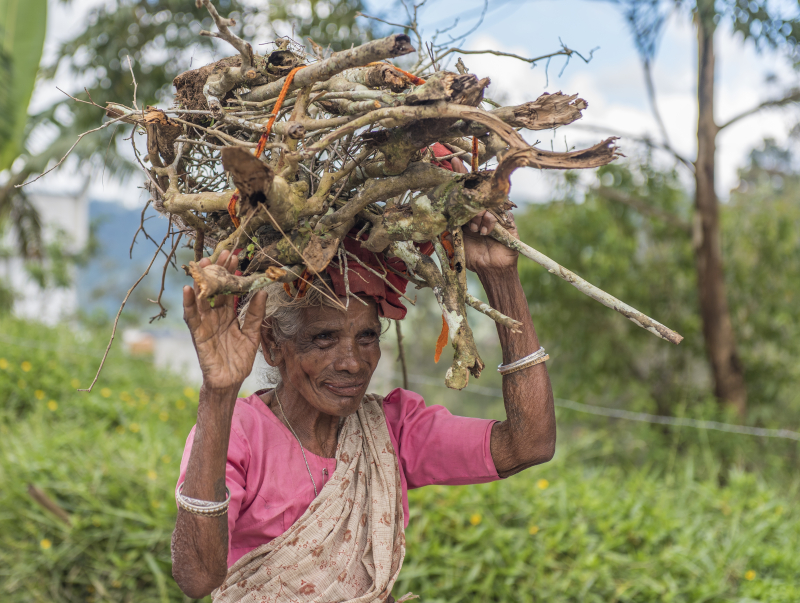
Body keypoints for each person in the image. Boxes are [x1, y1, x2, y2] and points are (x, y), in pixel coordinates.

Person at [171, 209, 556, 602]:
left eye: (368, 336)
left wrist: (502, 278)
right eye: (324, 338)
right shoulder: (237, 434)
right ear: (272, 345)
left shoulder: (391, 429)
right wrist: (218, 394)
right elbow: (197, 578)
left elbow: (530, 444)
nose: (353, 362)